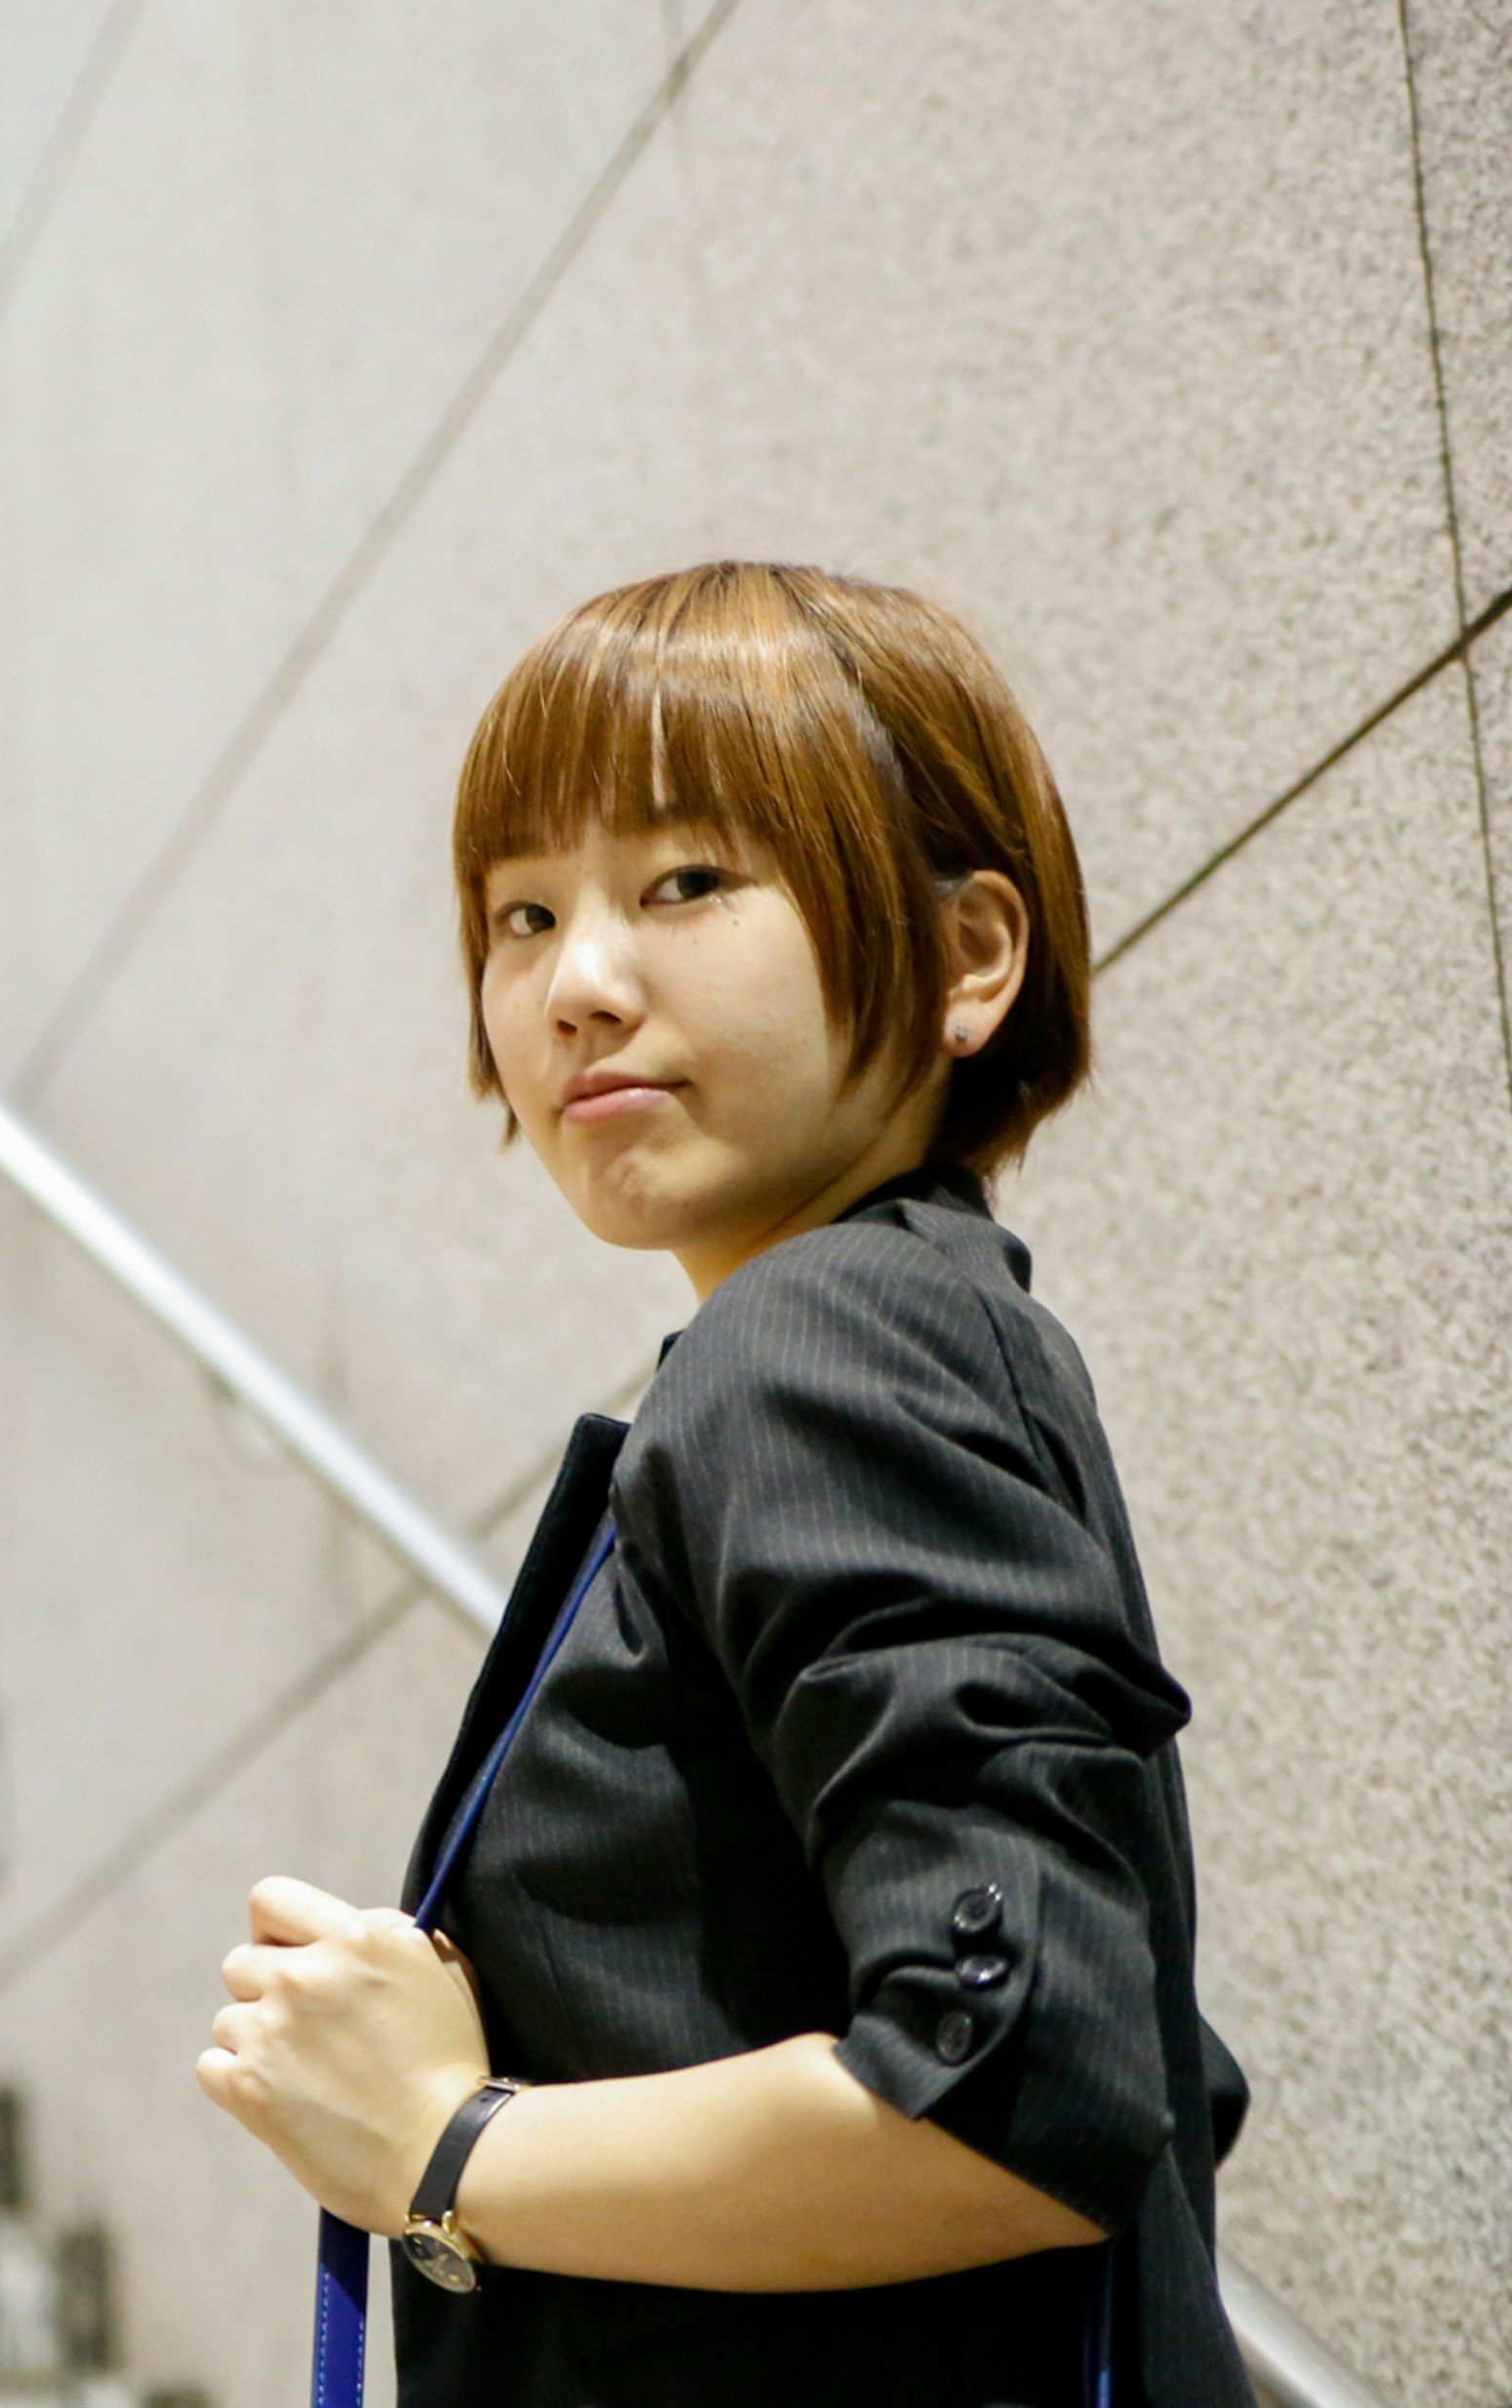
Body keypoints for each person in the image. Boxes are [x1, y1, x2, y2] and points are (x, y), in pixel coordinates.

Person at [195, 562, 1247, 2404]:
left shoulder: (824, 1342)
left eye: (686, 882)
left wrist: (442, 2147)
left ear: (965, 958)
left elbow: (1020, 2077)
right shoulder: (904, 1332)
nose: (577, 986)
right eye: (522, 913)